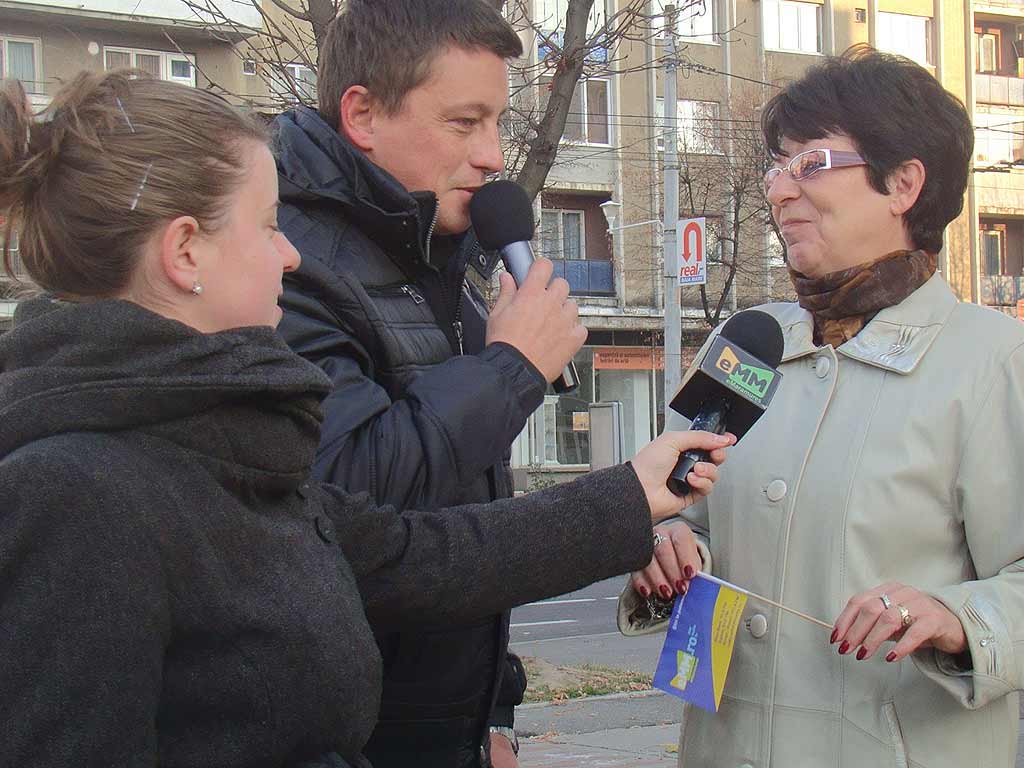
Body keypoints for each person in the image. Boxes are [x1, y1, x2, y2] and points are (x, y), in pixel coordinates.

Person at [0, 71, 734, 768]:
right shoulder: (74, 494)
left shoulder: (213, 437)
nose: (290, 255)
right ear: (185, 251)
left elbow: (417, 559)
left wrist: (634, 496)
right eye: (265, 225)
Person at [619, 46, 1024, 768]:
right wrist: (666, 543)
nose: (779, 192)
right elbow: (678, 507)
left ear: (904, 183)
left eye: (813, 165)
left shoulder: (993, 360)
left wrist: (957, 617)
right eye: (778, 166)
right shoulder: (749, 344)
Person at [271, 2, 570, 765]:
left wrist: (492, 715)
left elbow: (465, 507)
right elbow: (348, 492)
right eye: (464, 123)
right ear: (364, 114)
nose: (491, 155)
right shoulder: (286, 262)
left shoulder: (440, 258)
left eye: (500, 123)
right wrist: (508, 371)